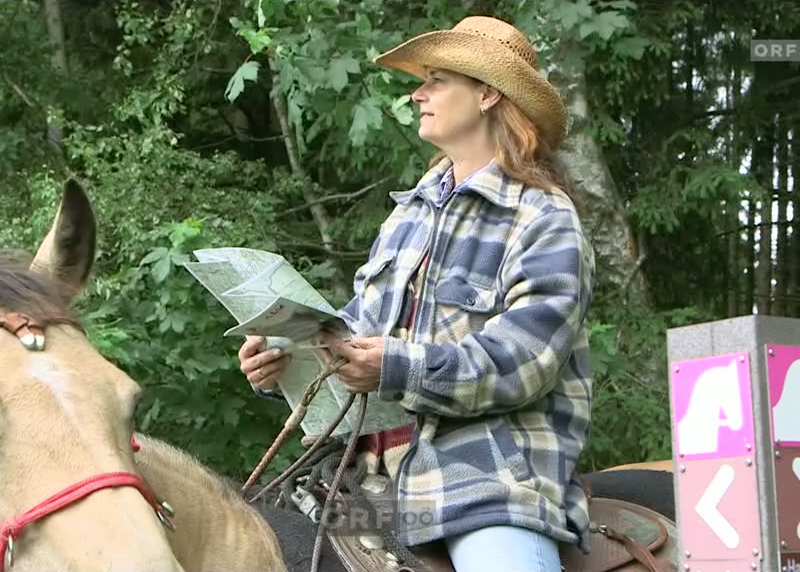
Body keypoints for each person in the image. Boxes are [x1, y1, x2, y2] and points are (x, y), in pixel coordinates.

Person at [238, 14, 595, 572]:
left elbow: (525, 361)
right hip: (368, 482)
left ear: (486, 94)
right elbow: (356, 331)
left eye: (436, 80)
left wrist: (396, 368)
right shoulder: (408, 216)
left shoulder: (544, 217)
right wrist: (287, 357)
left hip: (488, 485)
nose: (417, 93)